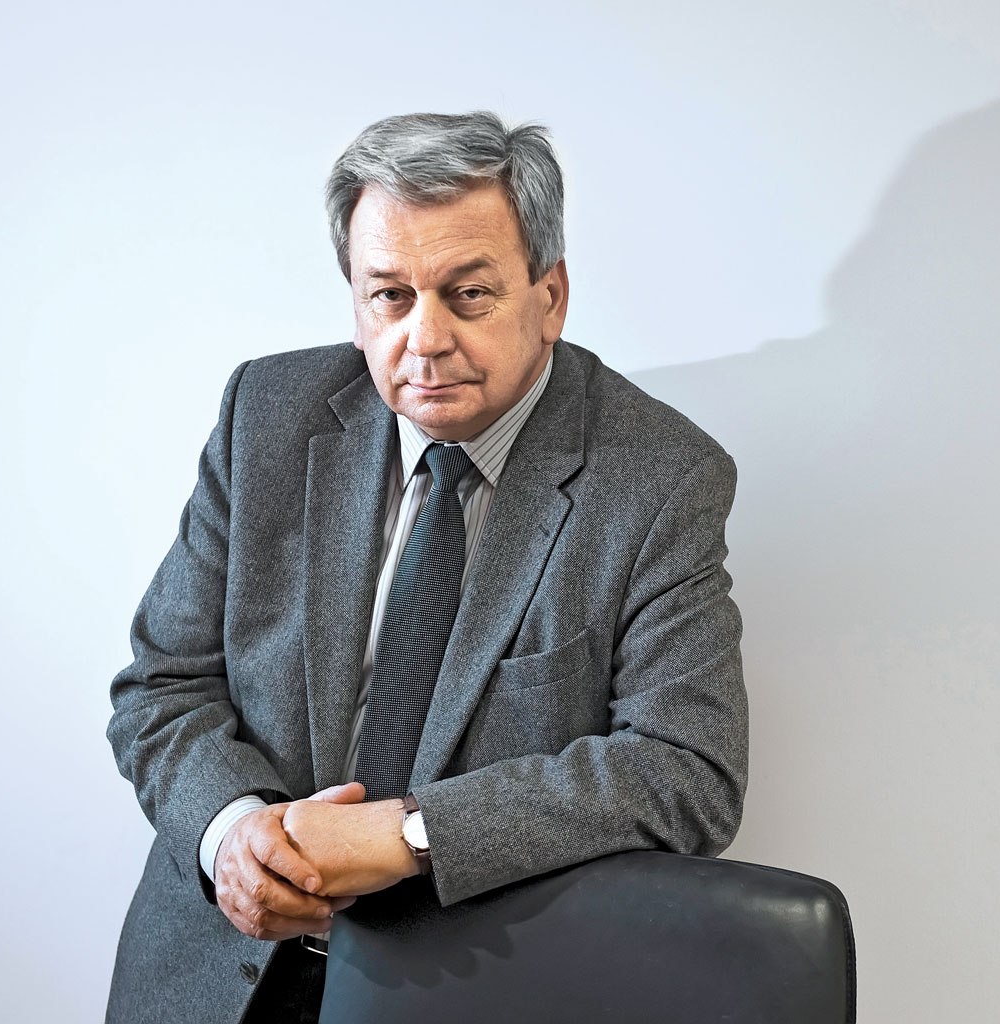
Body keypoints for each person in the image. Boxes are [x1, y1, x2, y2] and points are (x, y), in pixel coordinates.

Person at [104, 110, 748, 1024]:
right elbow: (163, 684)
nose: (425, 337)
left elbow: (687, 769)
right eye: (390, 296)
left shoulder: (658, 479)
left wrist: (410, 834)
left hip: (470, 983)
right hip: (214, 969)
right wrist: (232, 835)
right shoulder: (267, 414)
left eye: (468, 293)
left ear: (551, 295)